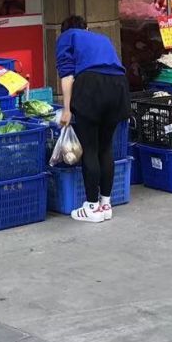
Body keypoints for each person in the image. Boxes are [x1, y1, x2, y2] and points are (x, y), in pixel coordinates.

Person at [56, 15, 129, 223]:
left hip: (91, 85)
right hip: (119, 86)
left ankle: (91, 207)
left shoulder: (67, 37)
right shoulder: (102, 39)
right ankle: (106, 204)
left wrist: (67, 109)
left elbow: (67, 76)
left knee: (90, 148)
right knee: (106, 147)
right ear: (86, 28)